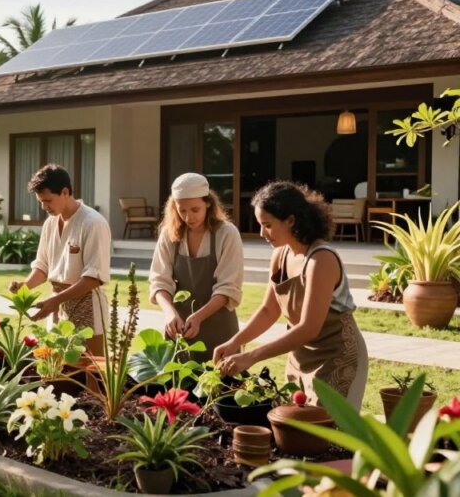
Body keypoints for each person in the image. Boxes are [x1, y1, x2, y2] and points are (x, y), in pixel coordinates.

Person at [214, 181, 368, 409]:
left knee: (328, 438)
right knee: (294, 431)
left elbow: (309, 327)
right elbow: (269, 310)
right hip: (299, 357)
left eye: (267, 225)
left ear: (291, 220)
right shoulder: (280, 255)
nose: (261, 233)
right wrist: (235, 342)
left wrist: (252, 356)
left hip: (338, 357)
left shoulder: (321, 260)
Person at [9, 164, 111, 356]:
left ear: (65, 192)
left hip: (87, 304)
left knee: (91, 374)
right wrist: (24, 286)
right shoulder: (50, 223)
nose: (44, 207)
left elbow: (94, 277)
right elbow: (43, 267)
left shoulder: (93, 223)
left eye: (48, 201)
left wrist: (56, 300)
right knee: (58, 371)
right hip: (58, 308)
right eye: (40, 202)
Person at [149, 173, 243, 362]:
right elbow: (159, 281)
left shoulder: (227, 234)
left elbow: (228, 287)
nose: (188, 217)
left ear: (208, 203)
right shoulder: (169, 235)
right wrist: (170, 313)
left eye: (195, 209)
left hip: (220, 329)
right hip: (179, 328)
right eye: (182, 210)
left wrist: (199, 317)